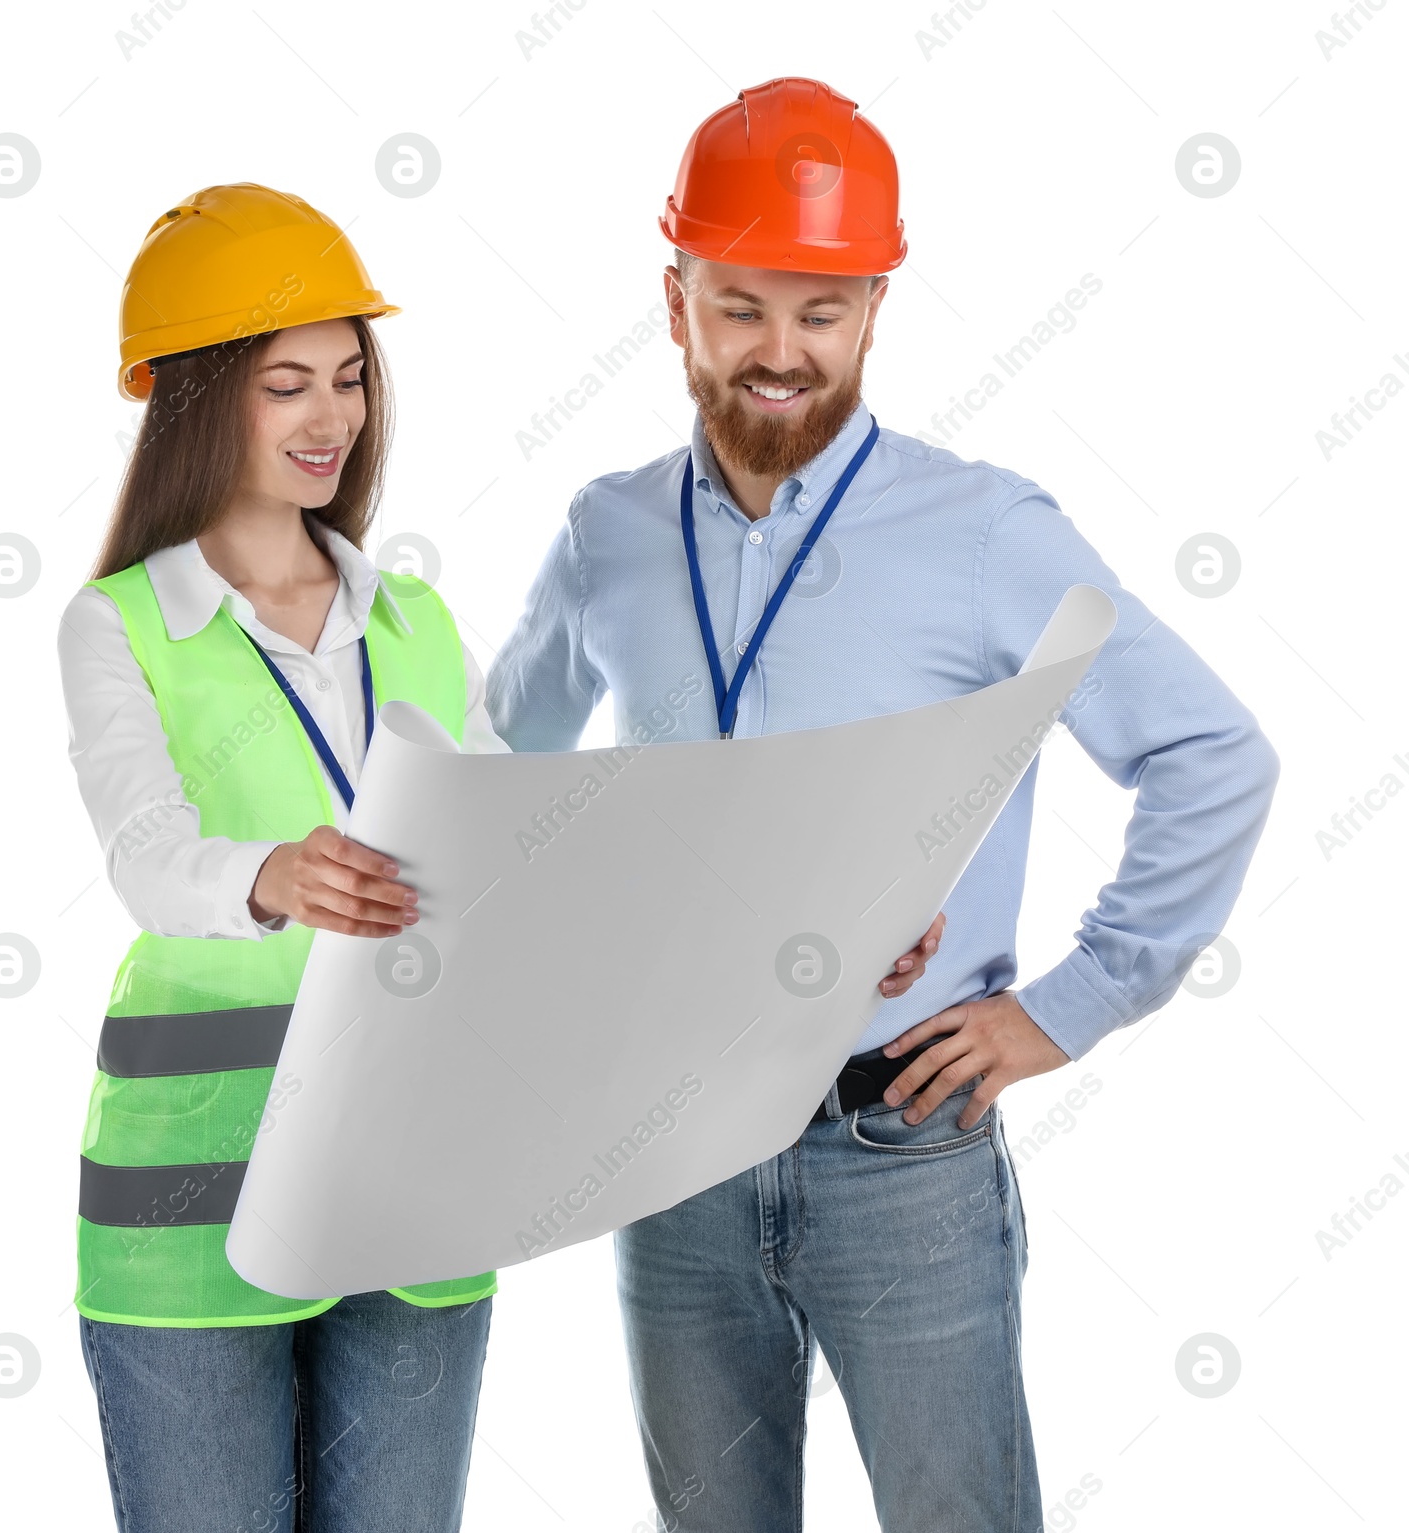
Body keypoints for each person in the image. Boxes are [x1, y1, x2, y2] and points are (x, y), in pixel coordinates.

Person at [487, 78, 1280, 1532]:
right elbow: (502, 792)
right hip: (671, 1148)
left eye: (824, 309)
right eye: (741, 308)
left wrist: (1070, 1005)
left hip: (899, 1152)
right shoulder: (606, 537)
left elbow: (1213, 753)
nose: (781, 353)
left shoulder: (983, 533)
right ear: (675, 305)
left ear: (873, 313)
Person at [58, 183, 502, 1532]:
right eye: (287, 385)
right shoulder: (120, 623)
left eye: (351, 381)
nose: (333, 420)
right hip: (196, 1194)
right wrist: (274, 876)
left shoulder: (414, 617)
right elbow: (147, 856)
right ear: (199, 398)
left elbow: (505, 855)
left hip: (416, 1180)